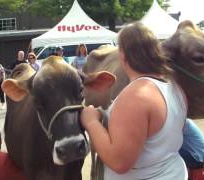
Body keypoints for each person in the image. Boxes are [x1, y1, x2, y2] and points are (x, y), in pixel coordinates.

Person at [80, 22, 188, 180]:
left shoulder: (136, 97)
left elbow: (119, 162)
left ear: (123, 55)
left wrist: (91, 121)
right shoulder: (176, 90)